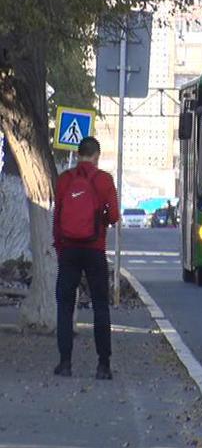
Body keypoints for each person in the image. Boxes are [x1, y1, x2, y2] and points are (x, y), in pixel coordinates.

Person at [53, 136, 119, 380]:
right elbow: (113, 216)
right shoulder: (104, 180)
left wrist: (60, 249)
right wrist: (101, 219)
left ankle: (65, 364)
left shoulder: (64, 180)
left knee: (65, 306)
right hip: (94, 250)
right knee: (100, 306)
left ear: (79, 154)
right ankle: (103, 366)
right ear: (96, 156)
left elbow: (57, 217)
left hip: (68, 250)